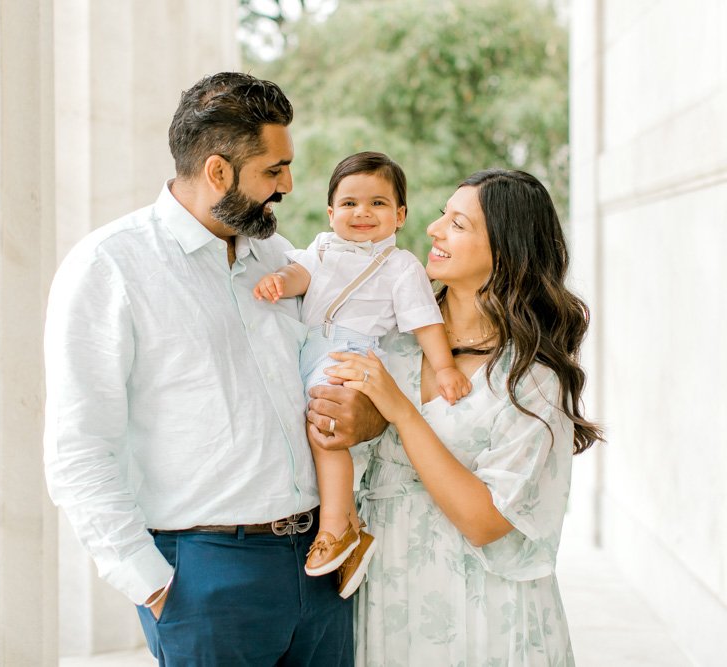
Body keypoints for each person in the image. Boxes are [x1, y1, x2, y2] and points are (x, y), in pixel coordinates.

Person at [43, 72, 384, 667]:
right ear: (219, 173)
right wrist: (153, 584)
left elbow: (333, 371)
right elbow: (78, 448)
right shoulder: (109, 267)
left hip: (319, 566)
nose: (289, 185)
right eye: (273, 171)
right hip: (204, 578)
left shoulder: (276, 258)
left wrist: (367, 416)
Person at [320, 169, 602, 665]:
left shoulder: (529, 379)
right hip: (389, 601)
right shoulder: (390, 341)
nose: (433, 229)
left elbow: (484, 522)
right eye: (441, 216)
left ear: (507, 249)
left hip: (487, 618)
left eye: (458, 224)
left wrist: (401, 414)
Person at [253, 152, 471, 597]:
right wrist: (281, 280)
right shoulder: (321, 247)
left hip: (351, 352)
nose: (362, 213)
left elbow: (425, 320)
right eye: (349, 204)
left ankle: (334, 526)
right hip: (309, 347)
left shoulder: (400, 266)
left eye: (378, 203)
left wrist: (445, 365)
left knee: (327, 428)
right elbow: (300, 274)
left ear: (401, 215)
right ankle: (353, 529)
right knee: (309, 432)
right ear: (331, 213)